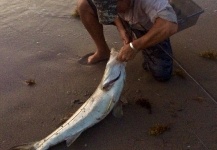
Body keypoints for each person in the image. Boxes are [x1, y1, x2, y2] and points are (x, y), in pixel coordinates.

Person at [77, 0, 178, 81]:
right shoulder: (116, 6)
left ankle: (145, 40)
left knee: (161, 73)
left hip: (148, 25)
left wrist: (135, 46)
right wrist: (121, 28)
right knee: (84, 4)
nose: (113, 12)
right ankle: (102, 51)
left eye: (114, 9)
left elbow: (169, 25)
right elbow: (108, 7)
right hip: (127, 19)